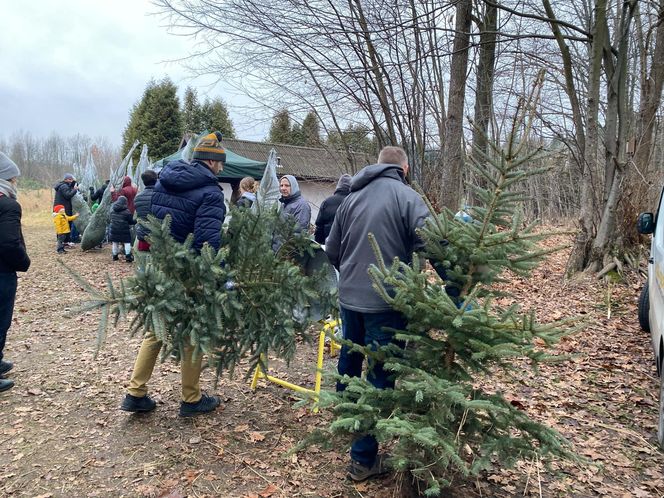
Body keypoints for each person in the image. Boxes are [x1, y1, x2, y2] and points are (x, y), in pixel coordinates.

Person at [325, 146, 429, 481]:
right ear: (405, 168)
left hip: (349, 299)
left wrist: (353, 275)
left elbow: (332, 250)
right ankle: (364, 459)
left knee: (350, 365)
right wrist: (456, 290)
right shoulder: (407, 197)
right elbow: (434, 244)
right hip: (386, 303)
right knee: (380, 377)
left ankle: (348, 424)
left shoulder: (350, 198)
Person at [121, 132, 227, 417]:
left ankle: (135, 392)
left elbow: (154, 222)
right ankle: (191, 399)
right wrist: (217, 275)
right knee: (194, 331)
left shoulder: (165, 182)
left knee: (155, 328)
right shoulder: (211, 193)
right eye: (220, 162)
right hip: (190, 273)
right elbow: (207, 243)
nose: (221, 168)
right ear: (213, 161)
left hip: (162, 264)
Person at [0, 152, 31, 393]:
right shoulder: (9, 206)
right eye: (13, 179)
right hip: (2, 273)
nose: (15, 184)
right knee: (1, 320)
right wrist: (23, 262)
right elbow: (9, 243)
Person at [314, 173, 352, 245]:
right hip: (348, 247)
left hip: (328, 245)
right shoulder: (354, 203)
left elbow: (319, 227)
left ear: (338, 186)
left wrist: (319, 244)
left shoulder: (327, 202)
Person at [133, 170, 158, 253]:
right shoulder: (160, 195)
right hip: (158, 236)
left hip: (143, 236)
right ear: (156, 180)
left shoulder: (137, 198)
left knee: (144, 262)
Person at [53, 173, 79, 243]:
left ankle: (64, 241)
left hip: (61, 208)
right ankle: (64, 242)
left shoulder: (64, 185)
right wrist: (75, 190)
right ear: (65, 179)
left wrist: (74, 184)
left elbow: (70, 189)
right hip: (62, 209)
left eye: (72, 179)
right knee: (64, 225)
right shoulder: (64, 186)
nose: (71, 181)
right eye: (70, 179)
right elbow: (68, 195)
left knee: (64, 225)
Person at [109, 196, 136, 262]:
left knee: (115, 242)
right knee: (127, 242)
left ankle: (115, 256)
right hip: (124, 230)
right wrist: (136, 221)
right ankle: (128, 256)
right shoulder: (127, 211)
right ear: (125, 202)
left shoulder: (112, 210)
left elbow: (110, 219)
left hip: (114, 229)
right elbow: (131, 222)